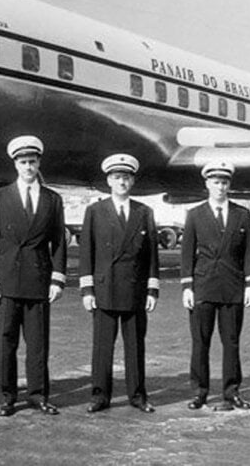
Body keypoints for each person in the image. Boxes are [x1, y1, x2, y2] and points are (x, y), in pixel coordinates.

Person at [0, 135, 67, 416]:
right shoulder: (0, 197)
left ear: (39, 163)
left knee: (38, 343)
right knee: (5, 342)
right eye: (23, 162)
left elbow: (59, 243)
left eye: (32, 161)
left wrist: (57, 279)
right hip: (5, 282)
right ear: (15, 164)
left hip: (38, 281)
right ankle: (6, 397)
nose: (28, 166)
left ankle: (38, 395)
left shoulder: (53, 199)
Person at [79, 154, 159, 414]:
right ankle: (100, 396)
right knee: (102, 347)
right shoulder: (95, 211)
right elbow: (86, 253)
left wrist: (152, 289)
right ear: (108, 181)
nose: (121, 182)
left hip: (134, 289)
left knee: (135, 347)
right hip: (104, 288)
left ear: (132, 181)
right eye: (117, 177)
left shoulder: (144, 212)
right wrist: (87, 290)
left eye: (126, 177)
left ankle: (137, 396)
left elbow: (151, 256)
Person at [179, 160, 250, 411]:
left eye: (224, 182)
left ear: (229, 185)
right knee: (200, 343)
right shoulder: (195, 214)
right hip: (203, 287)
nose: (220, 187)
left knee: (231, 343)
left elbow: (248, 253)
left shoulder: (241, 214)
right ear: (207, 184)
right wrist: (187, 287)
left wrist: (249, 284)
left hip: (232, 288)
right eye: (216, 182)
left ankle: (231, 391)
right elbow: (187, 253)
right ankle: (200, 392)